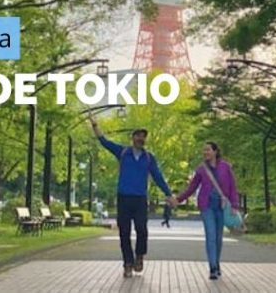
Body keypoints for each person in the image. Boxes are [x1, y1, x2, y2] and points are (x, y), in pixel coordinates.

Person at [90, 116, 174, 278]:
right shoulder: (122, 152)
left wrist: (169, 194)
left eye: (143, 136)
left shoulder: (149, 158)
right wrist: (95, 126)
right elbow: (104, 141)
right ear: (133, 138)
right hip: (123, 198)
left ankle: (139, 255)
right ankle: (127, 263)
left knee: (142, 229)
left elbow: (158, 177)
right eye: (138, 135)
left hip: (140, 199)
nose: (141, 139)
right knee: (124, 232)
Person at [169, 142, 239, 280]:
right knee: (210, 236)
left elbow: (233, 187)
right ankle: (212, 268)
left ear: (215, 151)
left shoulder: (226, 167)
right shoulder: (201, 169)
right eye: (204, 150)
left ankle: (217, 263)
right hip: (206, 205)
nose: (205, 152)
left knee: (218, 238)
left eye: (208, 150)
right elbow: (192, 188)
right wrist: (178, 199)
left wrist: (235, 205)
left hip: (222, 206)